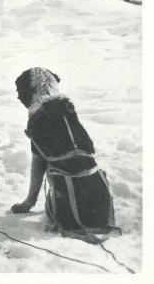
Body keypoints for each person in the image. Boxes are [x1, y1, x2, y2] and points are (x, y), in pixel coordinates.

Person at [11, 68, 116, 236]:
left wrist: (29, 203)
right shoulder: (67, 110)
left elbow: (38, 164)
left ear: (28, 91)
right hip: (100, 205)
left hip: (69, 211)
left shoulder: (38, 118)